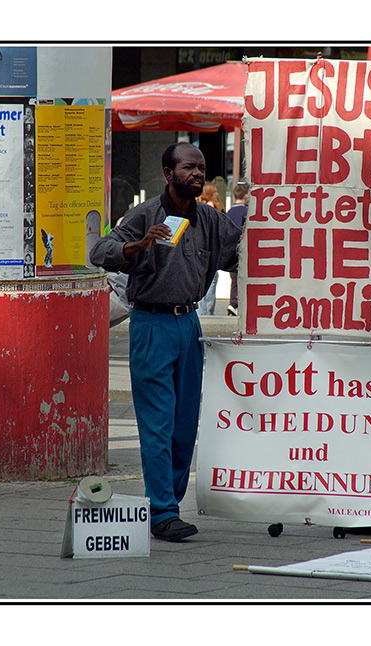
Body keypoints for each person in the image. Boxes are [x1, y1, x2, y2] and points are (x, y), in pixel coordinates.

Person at [89, 142, 241, 542]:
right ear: (167, 173)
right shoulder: (144, 215)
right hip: (151, 325)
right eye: (189, 167)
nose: (197, 174)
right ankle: (161, 511)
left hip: (189, 325)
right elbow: (100, 250)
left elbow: (244, 250)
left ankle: (168, 505)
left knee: (184, 425)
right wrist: (135, 246)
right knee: (157, 424)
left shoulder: (210, 219)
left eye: (201, 168)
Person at [195, 181, 224, 316]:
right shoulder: (210, 208)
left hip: (200, 256)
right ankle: (205, 318)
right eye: (215, 191)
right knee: (208, 294)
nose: (218, 194)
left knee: (202, 291)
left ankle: (203, 316)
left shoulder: (197, 207)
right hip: (209, 255)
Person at [225, 183, 249, 315]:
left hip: (230, 250)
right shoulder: (245, 212)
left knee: (234, 279)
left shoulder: (229, 212)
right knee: (242, 278)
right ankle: (236, 304)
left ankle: (232, 303)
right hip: (241, 250)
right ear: (246, 196)